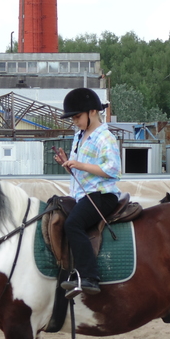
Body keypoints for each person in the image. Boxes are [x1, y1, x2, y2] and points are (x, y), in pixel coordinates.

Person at [53, 88, 121, 298]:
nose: (75, 121)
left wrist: (80, 165)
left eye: (77, 117)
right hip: (83, 195)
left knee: (73, 224)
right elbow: (81, 169)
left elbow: (113, 170)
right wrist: (69, 164)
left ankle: (89, 277)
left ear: (92, 112)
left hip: (102, 195)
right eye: (72, 118)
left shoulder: (105, 137)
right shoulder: (79, 136)